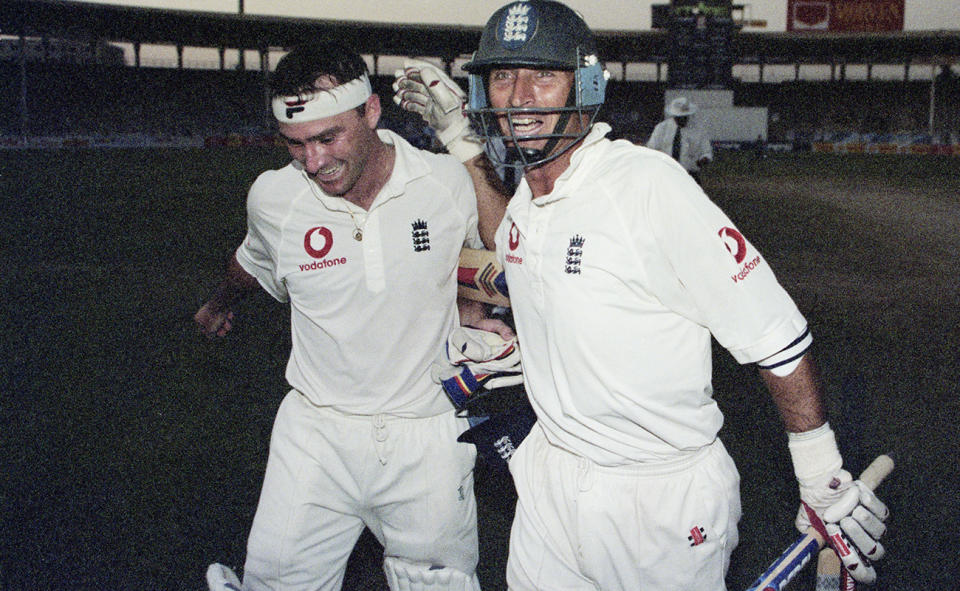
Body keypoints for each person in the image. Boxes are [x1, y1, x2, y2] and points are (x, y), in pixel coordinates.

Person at [394, 2, 890, 590]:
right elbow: (514, 249)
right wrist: (462, 144)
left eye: (542, 75)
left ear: (586, 84)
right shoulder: (530, 198)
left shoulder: (648, 187)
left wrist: (820, 473)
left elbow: (774, 333)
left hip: (660, 498)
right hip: (549, 479)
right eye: (503, 76)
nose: (520, 96)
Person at [197, 40, 511, 591]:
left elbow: (510, 246)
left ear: (370, 112)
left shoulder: (442, 181)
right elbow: (252, 261)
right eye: (296, 144)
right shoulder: (274, 199)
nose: (313, 161)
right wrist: (219, 302)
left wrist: (465, 141)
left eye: (327, 137)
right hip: (315, 434)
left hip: (428, 432)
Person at [647, 95, 713, 184]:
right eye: (678, 117)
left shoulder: (699, 130)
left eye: (684, 117)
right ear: (673, 116)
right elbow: (651, 149)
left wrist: (704, 159)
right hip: (665, 173)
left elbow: (707, 152)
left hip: (689, 174)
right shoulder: (661, 128)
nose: (681, 120)